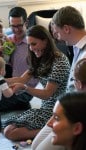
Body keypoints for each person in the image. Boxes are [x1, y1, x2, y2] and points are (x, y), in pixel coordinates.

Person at [2, 25, 70, 141]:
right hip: (45, 107)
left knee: (11, 133)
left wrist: (25, 88)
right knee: (7, 128)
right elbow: (22, 79)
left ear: (45, 41)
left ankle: (58, 129)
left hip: (56, 110)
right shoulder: (40, 58)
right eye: (29, 45)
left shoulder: (59, 62)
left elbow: (47, 93)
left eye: (34, 44)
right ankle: (50, 129)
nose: (31, 48)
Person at [32, 6, 86, 150]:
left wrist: (60, 116)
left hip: (74, 115)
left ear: (66, 29)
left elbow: (80, 94)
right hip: (64, 109)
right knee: (35, 145)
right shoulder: (76, 48)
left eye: (56, 32)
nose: (57, 38)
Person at [0, 6, 38, 111]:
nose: (16, 29)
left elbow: (26, 78)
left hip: (27, 90)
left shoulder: (33, 44)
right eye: (13, 26)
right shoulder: (7, 41)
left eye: (19, 26)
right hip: (10, 87)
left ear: (26, 23)